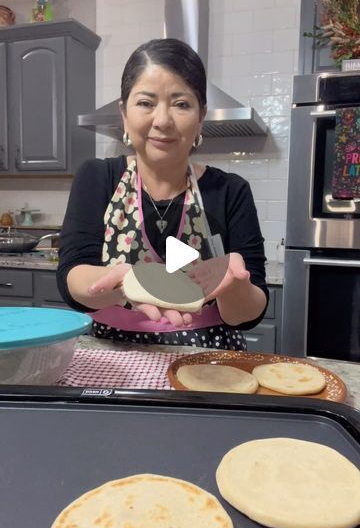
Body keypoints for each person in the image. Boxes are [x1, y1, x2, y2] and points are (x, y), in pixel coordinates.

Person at [57, 38, 268, 350]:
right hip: (114, 356)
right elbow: (72, 276)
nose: (163, 120)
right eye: (146, 102)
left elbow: (248, 314)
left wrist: (233, 285)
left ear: (201, 117)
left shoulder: (230, 191)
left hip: (207, 356)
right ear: (124, 113)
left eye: (181, 104)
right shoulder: (98, 177)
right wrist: (122, 284)